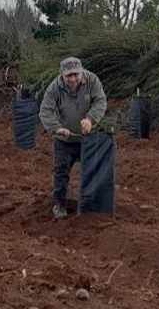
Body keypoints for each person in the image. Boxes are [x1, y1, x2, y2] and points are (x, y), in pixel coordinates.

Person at [39, 57, 108, 219]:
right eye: (68, 75)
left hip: (89, 139)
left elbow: (100, 101)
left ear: (82, 72)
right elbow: (45, 111)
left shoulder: (92, 81)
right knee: (61, 173)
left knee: (94, 171)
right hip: (65, 140)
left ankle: (93, 205)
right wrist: (57, 128)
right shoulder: (54, 88)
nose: (72, 79)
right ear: (62, 75)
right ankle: (59, 205)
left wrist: (91, 119)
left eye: (76, 74)